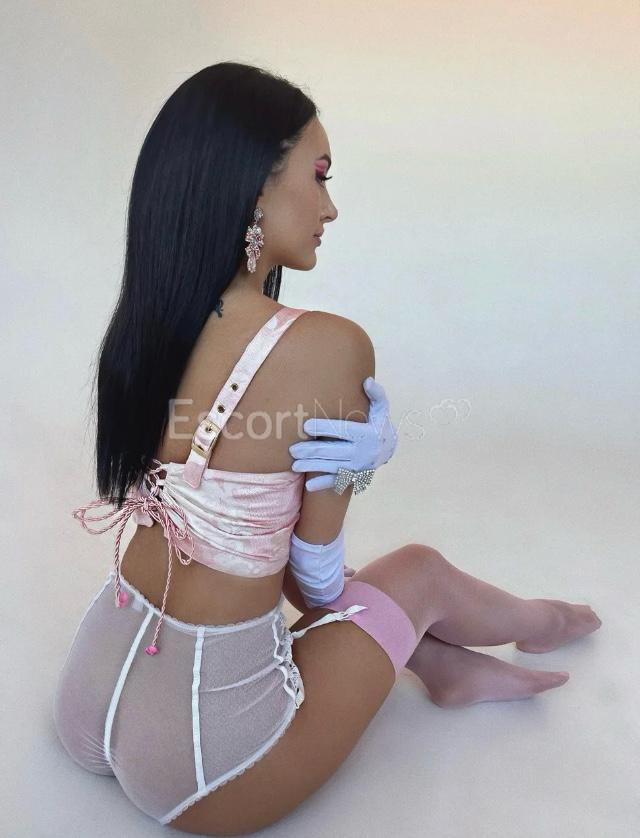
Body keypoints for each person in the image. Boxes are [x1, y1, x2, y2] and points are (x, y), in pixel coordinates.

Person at [53, 62, 602, 834]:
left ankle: (444, 666)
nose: (331, 207)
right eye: (319, 175)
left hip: (91, 682)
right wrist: (357, 469)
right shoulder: (327, 346)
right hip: (203, 758)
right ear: (255, 186)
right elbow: (313, 586)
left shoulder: (152, 322)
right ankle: (542, 621)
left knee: (387, 593)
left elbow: (253, 560)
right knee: (419, 572)